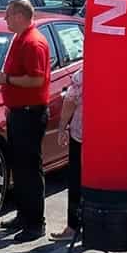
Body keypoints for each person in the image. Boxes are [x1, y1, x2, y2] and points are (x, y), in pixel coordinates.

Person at [0, 0, 51, 242]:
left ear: (20, 16)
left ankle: (36, 223)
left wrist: (6, 80)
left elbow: (36, 80)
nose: (4, 19)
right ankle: (24, 215)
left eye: (8, 15)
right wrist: (5, 79)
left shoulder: (33, 42)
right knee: (20, 167)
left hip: (30, 112)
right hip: (18, 111)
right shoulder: (20, 38)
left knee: (29, 169)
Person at [51, 65, 83, 242]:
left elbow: (70, 100)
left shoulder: (83, 75)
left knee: (77, 181)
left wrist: (62, 127)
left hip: (82, 136)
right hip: (105, 139)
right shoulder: (116, 71)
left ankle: (74, 226)